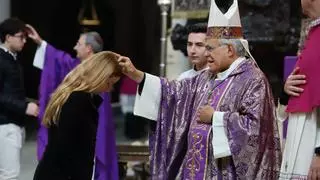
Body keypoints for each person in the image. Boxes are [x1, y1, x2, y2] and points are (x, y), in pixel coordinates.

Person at [118, 0, 281, 179]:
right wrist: (136, 75)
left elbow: (257, 131)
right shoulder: (206, 76)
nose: (207, 54)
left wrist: (216, 118)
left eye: (210, 48)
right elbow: (173, 93)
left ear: (229, 50)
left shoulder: (253, 80)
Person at [27, 26, 118, 179]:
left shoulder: (80, 89)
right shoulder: (79, 96)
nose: (110, 89)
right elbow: (66, 147)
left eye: (79, 44)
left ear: (89, 49)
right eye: (109, 83)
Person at [279, 0, 320, 178]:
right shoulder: (314, 31)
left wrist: (319, 153)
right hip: (299, 132)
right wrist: (286, 91)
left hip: (314, 140)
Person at [0, 18, 39, 180]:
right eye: (20, 37)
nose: (24, 41)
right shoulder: (2, 59)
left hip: (13, 122)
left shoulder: (12, 58)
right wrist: (24, 106)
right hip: (5, 124)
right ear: (8, 37)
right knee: (9, 175)